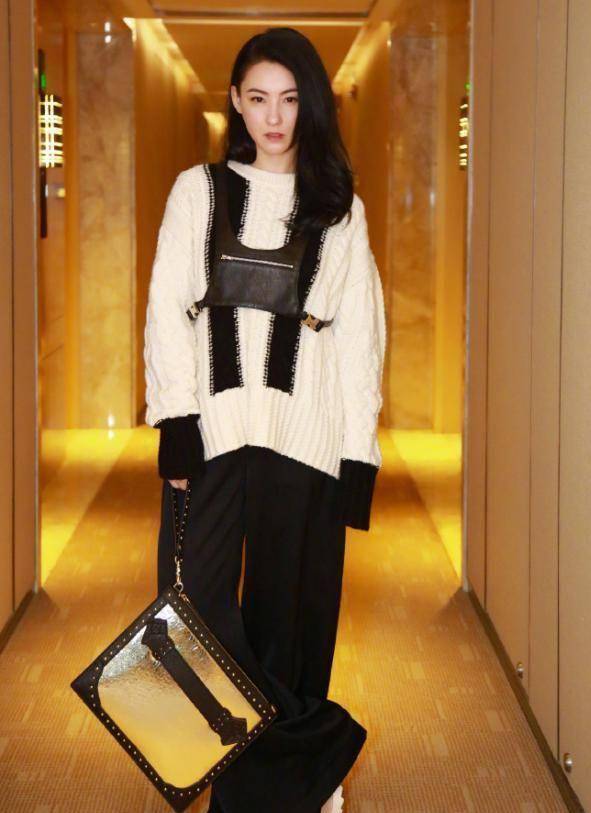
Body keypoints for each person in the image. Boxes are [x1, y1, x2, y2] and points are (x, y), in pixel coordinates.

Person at [144, 26, 386, 813]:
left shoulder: (338, 211)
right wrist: (176, 422)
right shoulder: (197, 190)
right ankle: (313, 748)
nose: (274, 117)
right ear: (236, 104)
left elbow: (360, 338)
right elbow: (165, 308)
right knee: (194, 610)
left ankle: (265, 792)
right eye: (258, 99)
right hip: (212, 434)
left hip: (305, 439)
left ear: (309, 106)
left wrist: (358, 453)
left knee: (289, 621)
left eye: (288, 100)